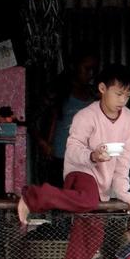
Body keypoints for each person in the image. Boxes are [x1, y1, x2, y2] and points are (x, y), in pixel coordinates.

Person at [18, 63, 130, 259]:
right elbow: (71, 150)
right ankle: (33, 195)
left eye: (127, 94)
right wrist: (92, 155)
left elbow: (125, 160)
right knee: (88, 200)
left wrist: (123, 192)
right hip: (80, 171)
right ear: (103, 88)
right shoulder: (87, 115)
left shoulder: (129, 120)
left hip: (102, 184)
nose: (123, 99)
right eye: (119, 93)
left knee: (91, 237)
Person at [38, 51, 98, 186]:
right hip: (58, 160)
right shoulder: (57, 91)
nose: (91, 73)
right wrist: (43, 143)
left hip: (85, 161)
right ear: (73, 67)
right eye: (87, 68)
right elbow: (31, 119)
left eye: (94, 69)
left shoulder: (94, 95)